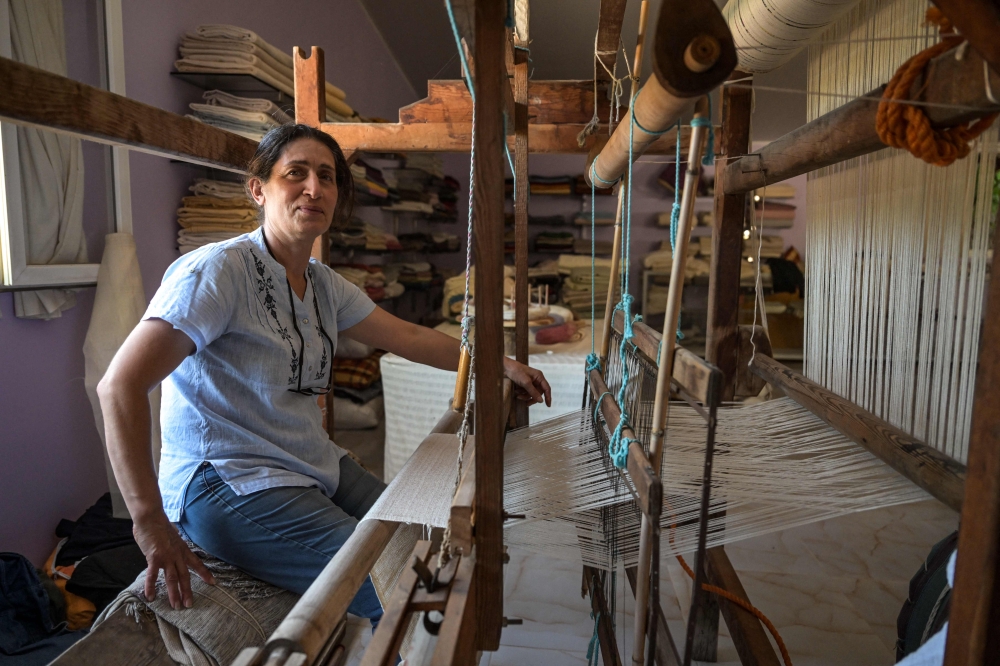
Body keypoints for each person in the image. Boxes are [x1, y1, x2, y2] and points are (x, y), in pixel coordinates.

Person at [97, 124, 552, 629]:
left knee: (422, 540)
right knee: (402, 588)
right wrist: (149, 523)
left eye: (327, 177)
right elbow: (119, 386)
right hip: (228, 480)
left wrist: (498, 364)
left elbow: (410, 337)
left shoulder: (321, 284)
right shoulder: (217, 272)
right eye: (296, 173)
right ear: (259, 188)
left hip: (308, 462)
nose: (314, 188)